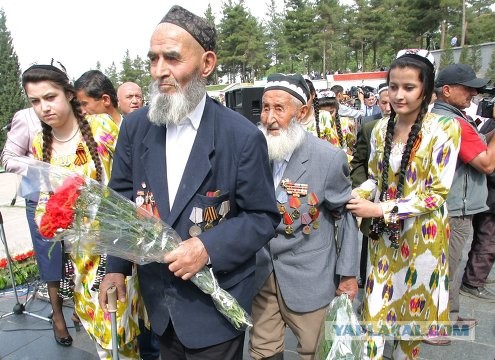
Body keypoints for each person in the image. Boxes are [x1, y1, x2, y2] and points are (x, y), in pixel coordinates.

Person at [98, 5, 280, 360]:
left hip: (214, 308)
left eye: (172, 58)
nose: (159, 71)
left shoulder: (240, 136)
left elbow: (262, 217)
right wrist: (117, 268)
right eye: (153, 59)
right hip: (160, 306)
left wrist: (206, 248)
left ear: (207, 63)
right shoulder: (136, 128)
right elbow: (119, 199)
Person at [347, 49, 461, 359]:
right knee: (375, 311)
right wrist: (361, 193)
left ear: (426, 89)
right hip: (385, 237)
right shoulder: (381, 128)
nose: (399, 95)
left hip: (424, 237)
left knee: (411, 320)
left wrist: (381, 208)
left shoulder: (445, 128)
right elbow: (375, 177)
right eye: (393, 86)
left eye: (408, 87)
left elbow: (437, 193)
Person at [22, 62, 141, 358]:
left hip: (114, 254)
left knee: (120, 336)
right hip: (78, 259)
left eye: (50, 97)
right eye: (35, 101)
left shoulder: (101, 128)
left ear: (68, 95)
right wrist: (48, 220)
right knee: (100, 337)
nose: (43, 107)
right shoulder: (39, 145)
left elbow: (134, 178)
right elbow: (44, 201)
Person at [248, 73, 359, 360]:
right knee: (262, 350)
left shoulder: (328, 158)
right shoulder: (253, 152)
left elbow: (345, 216)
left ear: (303, 113)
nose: (269, 118)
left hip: (309, 276)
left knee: (313, 350)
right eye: (265, 108)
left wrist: (347, 275)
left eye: (279, 109)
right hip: (262, 275)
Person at [430, 64, 495, 336]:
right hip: (455, 211)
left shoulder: (441, 117)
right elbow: (487, 163)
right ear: (447, 90)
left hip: (447, 206)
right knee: (448, 270)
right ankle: (440, 324)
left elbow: (478, 146)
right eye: (467, 88)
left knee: (441, 268)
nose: (473, 93)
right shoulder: (455, 122)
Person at [350, 83, 391, 287]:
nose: (389, 107)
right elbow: (359, 162)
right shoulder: (370, 127)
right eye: (384, 102)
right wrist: (362, 191)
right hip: (372, 202)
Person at [461, 109, 495, 303]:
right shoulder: (490, 124)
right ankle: (473, 281)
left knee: (485, 239)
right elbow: (488, 164)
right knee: (487, 240)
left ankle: (476, 275)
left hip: (486, 193)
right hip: (490, 193)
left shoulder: (489, 124)